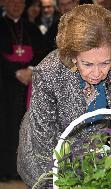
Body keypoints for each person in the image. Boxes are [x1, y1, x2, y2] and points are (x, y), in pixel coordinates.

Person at [17, 3, 111, 188]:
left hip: (91, 150)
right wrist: (52, 183)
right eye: (88, 64)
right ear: (73, 55)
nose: (97, 73)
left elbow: (98, 115)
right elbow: (42, 140)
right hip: (46, 153)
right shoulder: (48, 73)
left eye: (104, 63)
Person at [0, 0, 44, 181]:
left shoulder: (32, 28)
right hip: (5, 86)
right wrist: (15, 72)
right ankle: (4, 169)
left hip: (29, 85)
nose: (15, 5)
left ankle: (23, 172)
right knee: (5, 128)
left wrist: (31, 70)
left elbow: (43, 52)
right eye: (11, 2)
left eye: (19, 2)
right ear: (4, 4)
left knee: (26, 129)